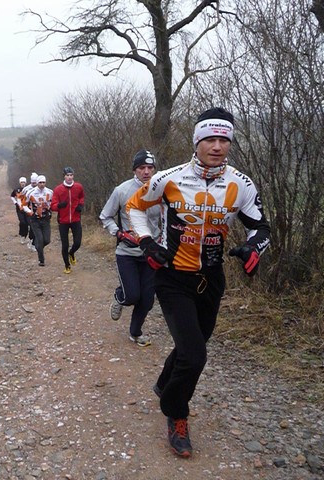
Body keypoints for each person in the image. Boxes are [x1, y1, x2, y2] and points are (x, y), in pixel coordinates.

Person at [126, 107, 271, 458]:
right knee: (195, 355)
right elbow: (135, 207)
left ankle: (164, 383)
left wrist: (254, 247)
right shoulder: (169, 178)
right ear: (197, 142)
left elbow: (261, 227)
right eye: (210, 139)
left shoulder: (241, 183)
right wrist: (146, 243)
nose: (217, 146)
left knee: (194, 344)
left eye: (224, 139)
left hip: (212, 279)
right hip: (173, 277)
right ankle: (176, 414)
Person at [99, 150, 160, 347]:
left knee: (147, 300)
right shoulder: (122, 190)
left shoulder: (164, 189)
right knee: (132, 295)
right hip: (127, 252)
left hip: (152, 252)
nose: (146, 172)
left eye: (150, 168)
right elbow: (105, 216)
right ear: (135, 169)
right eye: (142, 168)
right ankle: (120, 297)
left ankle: (135, 332)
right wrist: (117, 232)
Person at [51, 167, 85, 274]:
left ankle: (72, 253)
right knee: (64, 245)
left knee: (78, 242)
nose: (70, 177)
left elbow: (82, 197)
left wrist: (80, 205)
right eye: (67, 175)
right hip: (63, 220)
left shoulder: (78, 187)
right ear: (64, 176)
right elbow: (53, 205)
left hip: (75, 219)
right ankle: (67, 265)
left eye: (71, 175)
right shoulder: (58, 189)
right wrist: (59, 206)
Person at [24, 175, 53, 266]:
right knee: (40, 239)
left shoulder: (50, 192)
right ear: (37, 183)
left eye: (43, 182)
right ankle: (41, 260)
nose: (42, 184)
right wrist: (30, 212)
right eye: (40, 182)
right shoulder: (30, 192)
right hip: (35, 219)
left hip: (46, 218)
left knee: (47, 240)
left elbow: (53, 202)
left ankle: (38, 247)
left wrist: (51, 209)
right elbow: (24, 204)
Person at [20, 172, 38, 251]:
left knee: (36, 227)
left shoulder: (41, 188)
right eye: (32, 183)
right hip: (28, 211)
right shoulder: (26, 189)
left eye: (35, 183)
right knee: (32, 225)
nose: (34, 184)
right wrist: (22, 206)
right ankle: (32, 241)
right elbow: (20, 197)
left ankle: (33, 241)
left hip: (38, 210)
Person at [10, 176, 29, 244]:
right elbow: (12, 196)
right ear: (20, 183)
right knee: (22, 222)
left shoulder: (28, 189)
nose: (23, 183)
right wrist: (15, 202)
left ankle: (26, 236)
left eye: (24, 182)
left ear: (26, 182)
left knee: (27, 223)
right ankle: (22, 235)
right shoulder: (16, 190)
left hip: (27, 208)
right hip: (19, 209)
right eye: (21, 182)